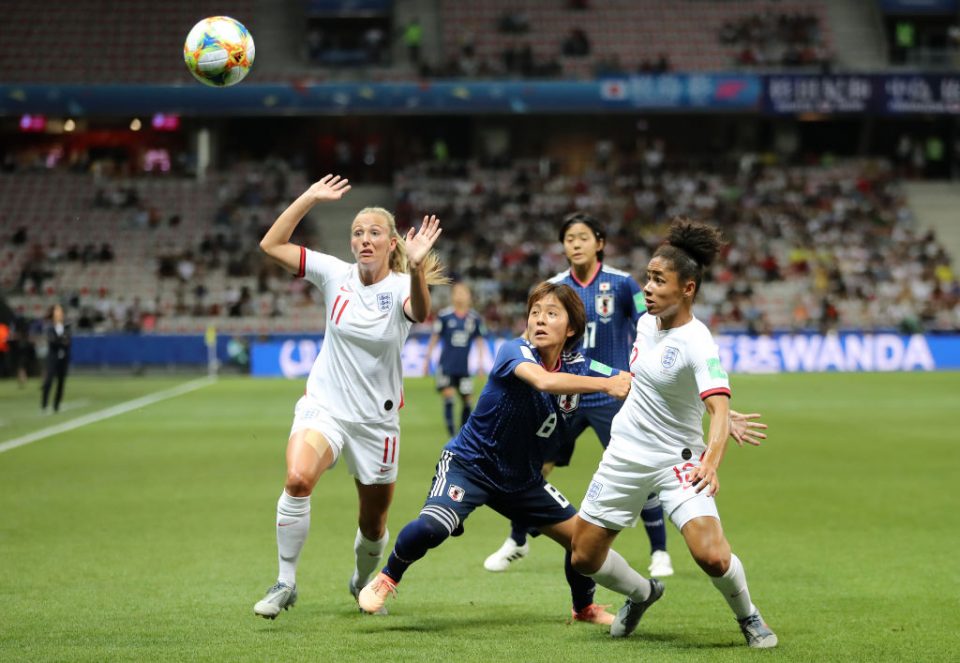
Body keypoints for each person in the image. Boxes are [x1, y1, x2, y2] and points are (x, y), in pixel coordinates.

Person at [357, 282, 632, 623]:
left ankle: (584, 608)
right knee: (433, 528)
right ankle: (387, 576)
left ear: (572, 327)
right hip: (470, 466)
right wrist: (607, 385)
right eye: (535, 313)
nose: (540, 320)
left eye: (551, 313)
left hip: (521, 480)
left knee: (582, 541)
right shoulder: (513, 351)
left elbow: (624, 377)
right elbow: (545, 382)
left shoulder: (579, 363)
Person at [570, 219, 778, 648]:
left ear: (687, 289)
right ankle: (642, 594)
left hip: (679, 458)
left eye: (658, 280)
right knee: (584, 557)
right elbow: (657, 382)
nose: (647, 287)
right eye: (647, 277)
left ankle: (749, 616)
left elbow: (717, 407)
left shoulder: (698, 342)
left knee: (712, 556)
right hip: (625, 452)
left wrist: (712, 458)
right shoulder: (647, 323)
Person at [252, 174, 446, 619]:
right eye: (357, 232)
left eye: (374, 232)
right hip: (326, 408)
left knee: (373, 524)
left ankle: (362, 581)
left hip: (376, 424)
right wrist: (308, 198)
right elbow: (271, 245)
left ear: (392, 243)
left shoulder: (401, 286)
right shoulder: (334, 274)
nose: (364, 239)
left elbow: (420, 311)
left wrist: (417, 268)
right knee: (298, 479)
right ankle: (285, 582)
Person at [484, 213, 674, 577]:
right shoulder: (553, 287)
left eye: (583, 237)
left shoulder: (621, 284)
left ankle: (660, 552)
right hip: (562, 395)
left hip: (610, 395)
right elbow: (532, 334)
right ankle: (518, 540)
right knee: (534, 467)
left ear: (599, 243)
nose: (575, 243)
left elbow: (648, 324)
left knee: (637, 466)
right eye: (569, 238)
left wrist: (644, 370)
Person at [422, 282, 489, 437]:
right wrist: (426, 361)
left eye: (463, 293)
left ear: (469, 296)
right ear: (452, 296)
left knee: (468, 400)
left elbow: (480, 341)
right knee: (449, 397)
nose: (460, 296)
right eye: (457, 292)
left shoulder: (474, 318)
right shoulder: (445, 316)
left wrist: (480, 364)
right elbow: (434, 338)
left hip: (463, 368)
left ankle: (463, 432)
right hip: (446, 366)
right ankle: (452, 433)